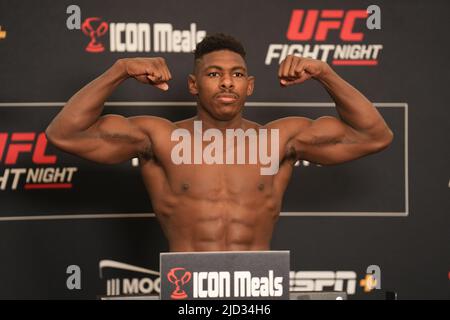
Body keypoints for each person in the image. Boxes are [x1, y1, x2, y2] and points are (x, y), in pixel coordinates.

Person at [45, 33, 393, 252]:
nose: (227, 83)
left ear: (249, 85)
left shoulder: (279, 139)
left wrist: (325, 73)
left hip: (259, 287)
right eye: (214, 74)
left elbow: (373, 135)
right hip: (186, 289)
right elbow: (65, 133)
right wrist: (118, 69)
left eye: (237, 75)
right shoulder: (160, 137)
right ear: (194, 85)